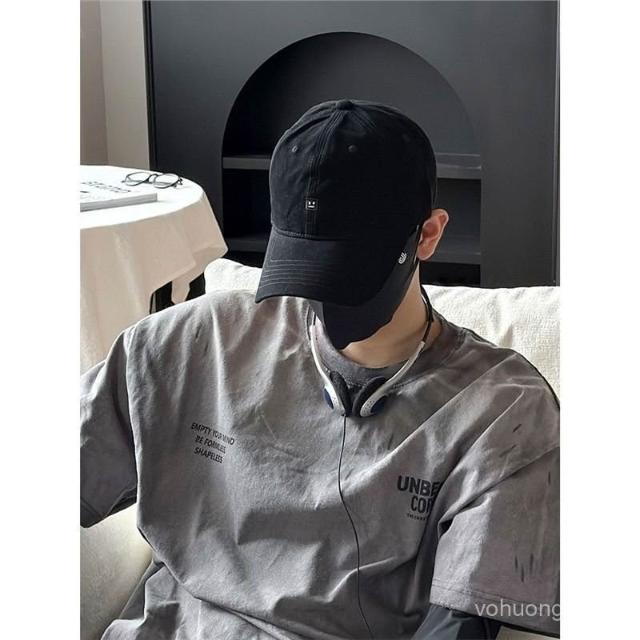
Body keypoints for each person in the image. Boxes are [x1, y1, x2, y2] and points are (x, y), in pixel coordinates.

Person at [80, 99, 559, 640]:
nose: (324, 302)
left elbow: (460, 628)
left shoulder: (504, 410)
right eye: (304, 268)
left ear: (427, 235)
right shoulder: (192, 342)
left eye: (349, 274)